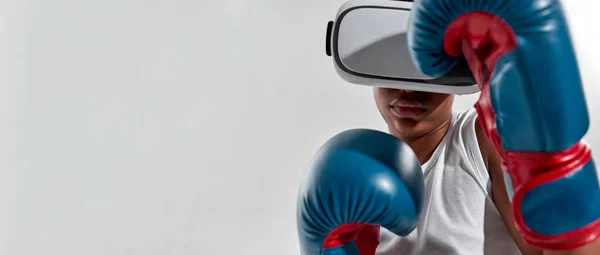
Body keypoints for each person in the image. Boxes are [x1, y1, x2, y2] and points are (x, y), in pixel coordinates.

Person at [371, 88, 531, 254]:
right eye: (395, 72)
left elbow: (544, 250)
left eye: (425, 74)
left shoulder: (484, 137)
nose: (408, 88)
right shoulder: (356, 169)